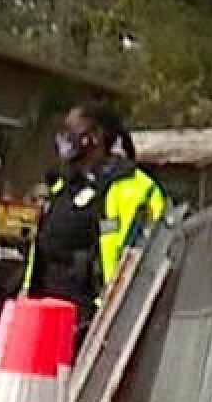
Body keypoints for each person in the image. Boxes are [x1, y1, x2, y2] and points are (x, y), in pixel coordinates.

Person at [22, 99, 167, 334]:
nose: (64, 138)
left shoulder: (136, 188)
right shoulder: (64, 186)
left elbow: (155, 250)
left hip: (97, 317)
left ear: (95, 137)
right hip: (46, 310)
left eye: (71, 130)